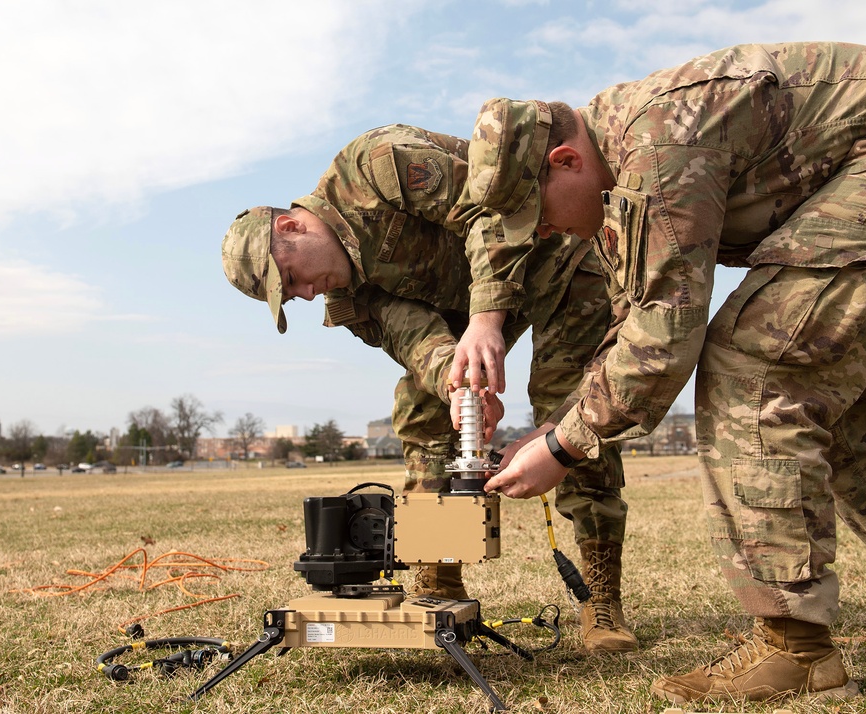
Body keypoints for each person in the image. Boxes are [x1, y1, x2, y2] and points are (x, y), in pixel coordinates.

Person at [466, 42, 866, 703]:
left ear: (565, 162)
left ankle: (794, 651)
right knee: (838, 411)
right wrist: (559, 426)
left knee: (755, 365)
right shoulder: (623, 171)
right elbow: (634, 322)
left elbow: (667, 336)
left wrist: (564, 447)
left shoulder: (657, 148)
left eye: (539, 216)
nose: (545, 234)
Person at [221, 124, 638, 652]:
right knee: (422, 411)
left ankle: (602, 602)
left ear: (292, 225)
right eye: (291, 296)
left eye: (291, 278)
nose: (304, 295)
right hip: (472, 313)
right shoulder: (348, 298)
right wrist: (456, 383)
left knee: (569, 407)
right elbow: (415, 339)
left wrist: (486, 318)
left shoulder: (376, 167)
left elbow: (489, 210)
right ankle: (438, 579)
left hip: (557, 257)